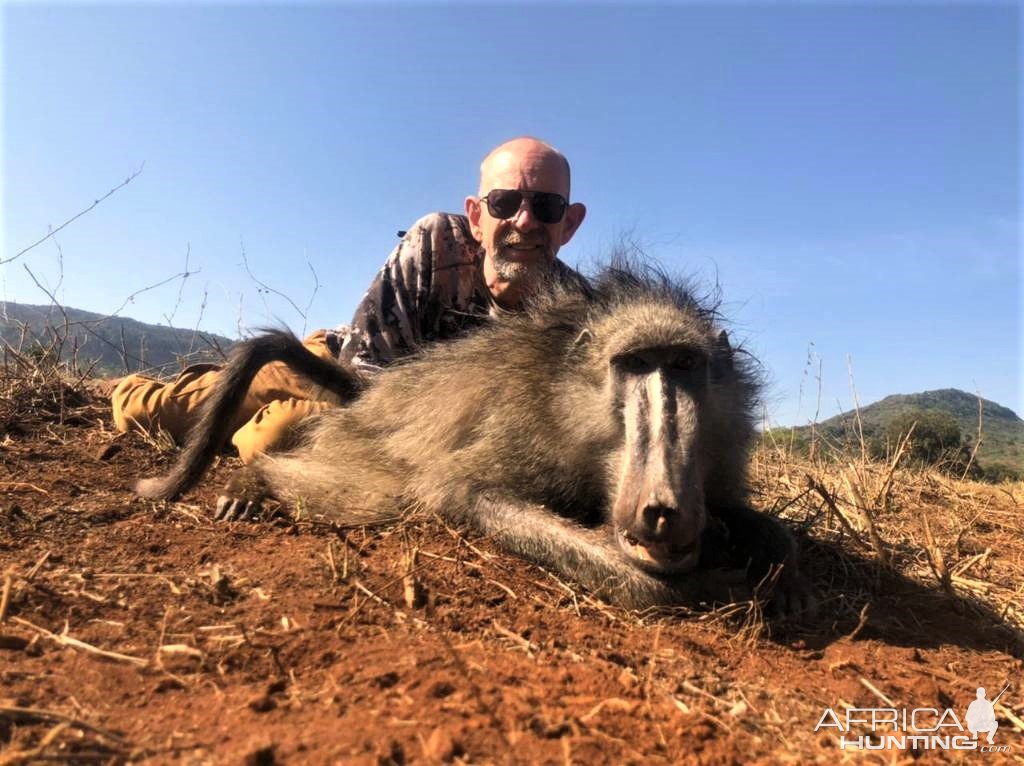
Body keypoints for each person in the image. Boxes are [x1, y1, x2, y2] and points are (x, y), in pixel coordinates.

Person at [112, 136, 588, 461]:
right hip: (343, 370)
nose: (525, 222)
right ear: (476, 216)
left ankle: (244, 428)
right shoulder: (435, 240)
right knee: (143, 415)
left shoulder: (579, 315)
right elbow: (365, 378)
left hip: (420, 428)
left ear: (569, 224)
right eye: (505, 203)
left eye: (546, 207)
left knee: (269, 439)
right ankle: (129, 387)